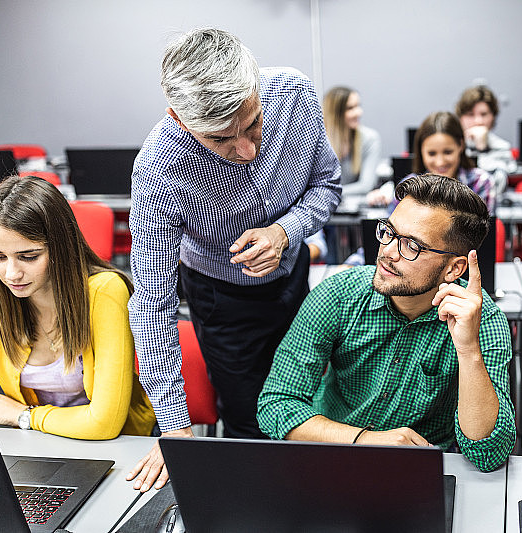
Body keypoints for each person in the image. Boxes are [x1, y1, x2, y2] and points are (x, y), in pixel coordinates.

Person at [127, 28, 341, 491]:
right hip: (220, 299)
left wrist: (286, 231)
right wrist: (176, 430)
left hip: (294, 276)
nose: (247, 151)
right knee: (249, 425)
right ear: (179, 120)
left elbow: (328, 186)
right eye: (223, 140)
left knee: (306, 404)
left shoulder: (295, 93)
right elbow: (152, 303)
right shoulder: (158, 171)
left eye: (253, 123)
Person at [258, 174, 516, 472]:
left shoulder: (483, 321)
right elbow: (276, 404)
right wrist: (365, 440)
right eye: (389, 233)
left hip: (416, 471)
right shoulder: (338, 294)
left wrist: (469, 350)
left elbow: (488, 454)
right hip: (331, 451)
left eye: (412, 246)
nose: (388, 252)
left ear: (453, 268)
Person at [0, 175, 155, 439]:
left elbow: (104, 425)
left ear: (60, 247)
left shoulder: (105, 291)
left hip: (119, 448)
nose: (12, 274)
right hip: (38, 443)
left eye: (28, 256)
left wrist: (23, 415)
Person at [343, 111, 496, 267]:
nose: (440, 161)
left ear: (461, 146)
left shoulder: (480, 183)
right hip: (411, 269)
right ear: (420, 152)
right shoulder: (409, 185)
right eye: (431, 153)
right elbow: (387, 234)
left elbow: (483, 245)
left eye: (447, 152)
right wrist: (352, 264)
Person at [455, 85, 516, 195]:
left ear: (493, 117)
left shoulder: (502, 147)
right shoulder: (451, 147)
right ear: (461, 118)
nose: (478, 121)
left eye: (484, 114)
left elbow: (497, 188)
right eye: (470, 115)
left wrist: (482, 148)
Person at [323, 86, 382, 196]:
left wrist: (328, 193)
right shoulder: (320, 143)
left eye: (358, 106)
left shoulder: (369, 138)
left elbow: (365, 186)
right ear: (335, 114)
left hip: (354, 208)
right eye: (350, 108)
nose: (359, 112)